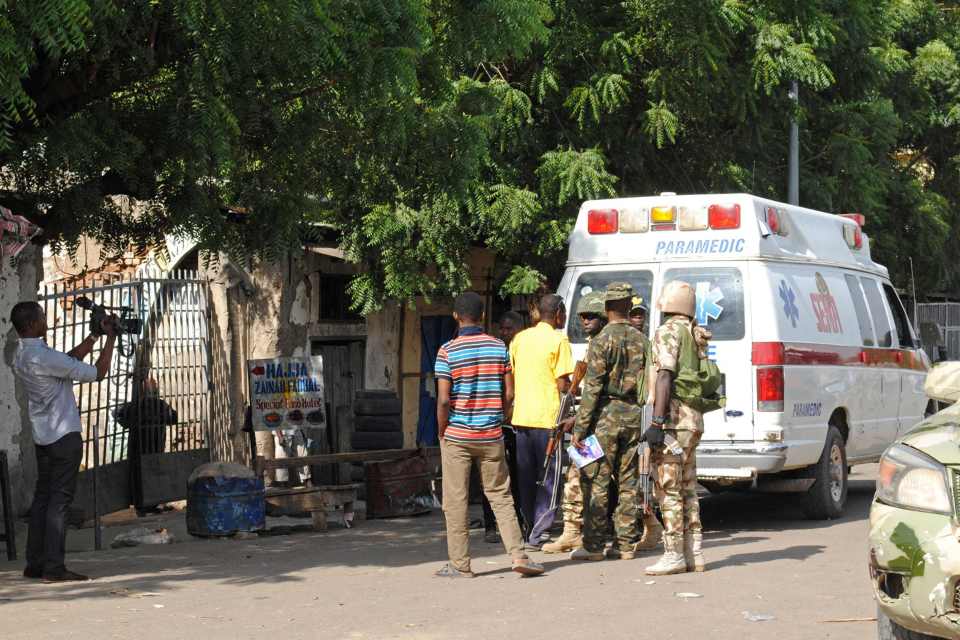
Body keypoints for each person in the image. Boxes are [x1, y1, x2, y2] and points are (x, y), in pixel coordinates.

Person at [434, 292, 544, 578]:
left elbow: (444, 400)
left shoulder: (447, 351)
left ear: (456, 316)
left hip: (457, 434)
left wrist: (442, 430)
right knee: (500, 495)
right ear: (482, 316)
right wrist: (501, 416)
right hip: (491, 434)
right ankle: (519, 555)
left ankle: (460, 565)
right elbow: (509, 391)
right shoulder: (498, 347)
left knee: (455, 500)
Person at [11, 301, 117, 582]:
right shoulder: (43, 358)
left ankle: (35, 563)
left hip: (43, 436)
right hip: (64, 437)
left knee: (43, 500)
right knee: (59, 503)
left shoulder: (21, 355)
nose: (46, 320)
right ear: (33, 324)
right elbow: (98, 372)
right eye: (43, 317)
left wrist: (93, 336)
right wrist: (111, 338)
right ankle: (54, 568)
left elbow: (68, 362)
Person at [569, 283, 648, 561]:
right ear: (628, 306)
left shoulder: (602, 340)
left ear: (606, 308)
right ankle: (626, 544)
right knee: (628, 481)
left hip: (604, 417)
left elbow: (592, 388)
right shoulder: (641, 339)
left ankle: (593, 545)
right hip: (633, 415)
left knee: (597, 480)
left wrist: (579, 428)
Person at [643, 280, 710, 575]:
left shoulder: (668, 331)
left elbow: (665, 376)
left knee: (668, 488)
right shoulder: (694, 333)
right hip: (693, 421)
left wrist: (656, 422)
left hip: (673, 421)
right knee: (688, 488)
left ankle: (673, 555)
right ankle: (694, 552)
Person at [542, 290, 605, 554]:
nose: (585, 321)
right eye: (582, 316)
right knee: (577, 477)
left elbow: (600, 390)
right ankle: (571, 532)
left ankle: (644, 528)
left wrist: (578, 419)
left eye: (591, 316)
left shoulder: (605, 343)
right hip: (593, 423)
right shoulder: (595, 344)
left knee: (617, 481)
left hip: (601, 424)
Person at [509, 294, 574, 549]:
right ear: (558, 313)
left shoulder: (520, 339)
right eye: (564, 314)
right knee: (550, 478)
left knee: (525, 477)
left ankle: (528, 531)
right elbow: (563, 384)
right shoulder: (559, 340)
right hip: (549, 420)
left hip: (522, 417)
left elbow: (511, 379)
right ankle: (539, 534)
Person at [480, 311, 525, 543]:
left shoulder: (523, 350)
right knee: (491, 476)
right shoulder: (496, 351)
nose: (505, 333)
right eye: (503, 329)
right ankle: (490, 526)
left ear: (519, 329)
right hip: (496, 421)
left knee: (516, 476)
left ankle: (518, 523)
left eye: (509, 329)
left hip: (518, 421)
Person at [626, 295, 665, 552]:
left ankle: (653, 527)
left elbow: (653, 382)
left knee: (646, 473)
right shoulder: (626, 341)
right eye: (633, 314)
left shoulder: (649, 345)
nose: (637, 319)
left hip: (644, 411)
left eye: (641, 314)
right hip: (629, 413)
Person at [114, 378, 178, 513]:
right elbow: (174, 418)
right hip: (156, 445)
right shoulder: (161, 405)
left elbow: (117, 414)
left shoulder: (135, 405)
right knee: (154, 472)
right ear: (156, 391)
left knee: (137, 474)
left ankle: (140, 504)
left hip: (137, 446)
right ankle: (152, 503)